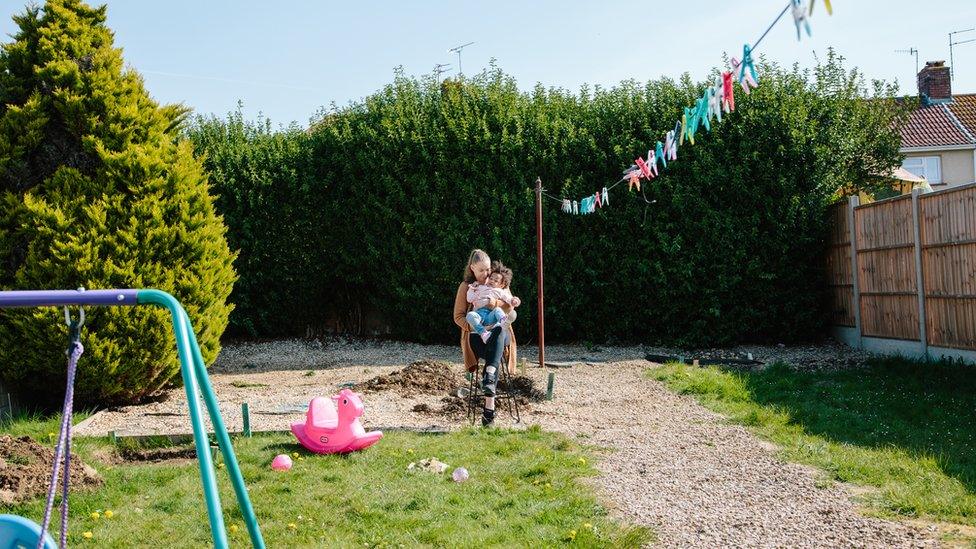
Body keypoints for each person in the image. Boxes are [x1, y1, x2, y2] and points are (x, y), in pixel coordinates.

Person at [453, 249, 518, 426]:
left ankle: (489, 388)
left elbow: (510, 308)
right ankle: (489, 407)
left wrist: (493, 303)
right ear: (472, 268)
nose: (486, 274)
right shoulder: (467, 287)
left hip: (498, 331)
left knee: (497, 335)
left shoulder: (500, 283)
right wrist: (477, 326)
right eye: (481, 270)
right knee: (492, 353)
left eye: (488, 269)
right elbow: (458, 317)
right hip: (477, 335)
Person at [465, 262, 521, 343]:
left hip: (490, 316)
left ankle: (503, 323)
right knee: (469, 315)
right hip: (479, 315)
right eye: (491, 278)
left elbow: (508, 298)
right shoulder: (480, 287)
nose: (492, 281)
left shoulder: (499, 291)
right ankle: (484, 334)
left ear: (501, 285)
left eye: (496, 281)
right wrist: (472, 289)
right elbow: (469, 299)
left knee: (498, 310)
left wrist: (514, 300)